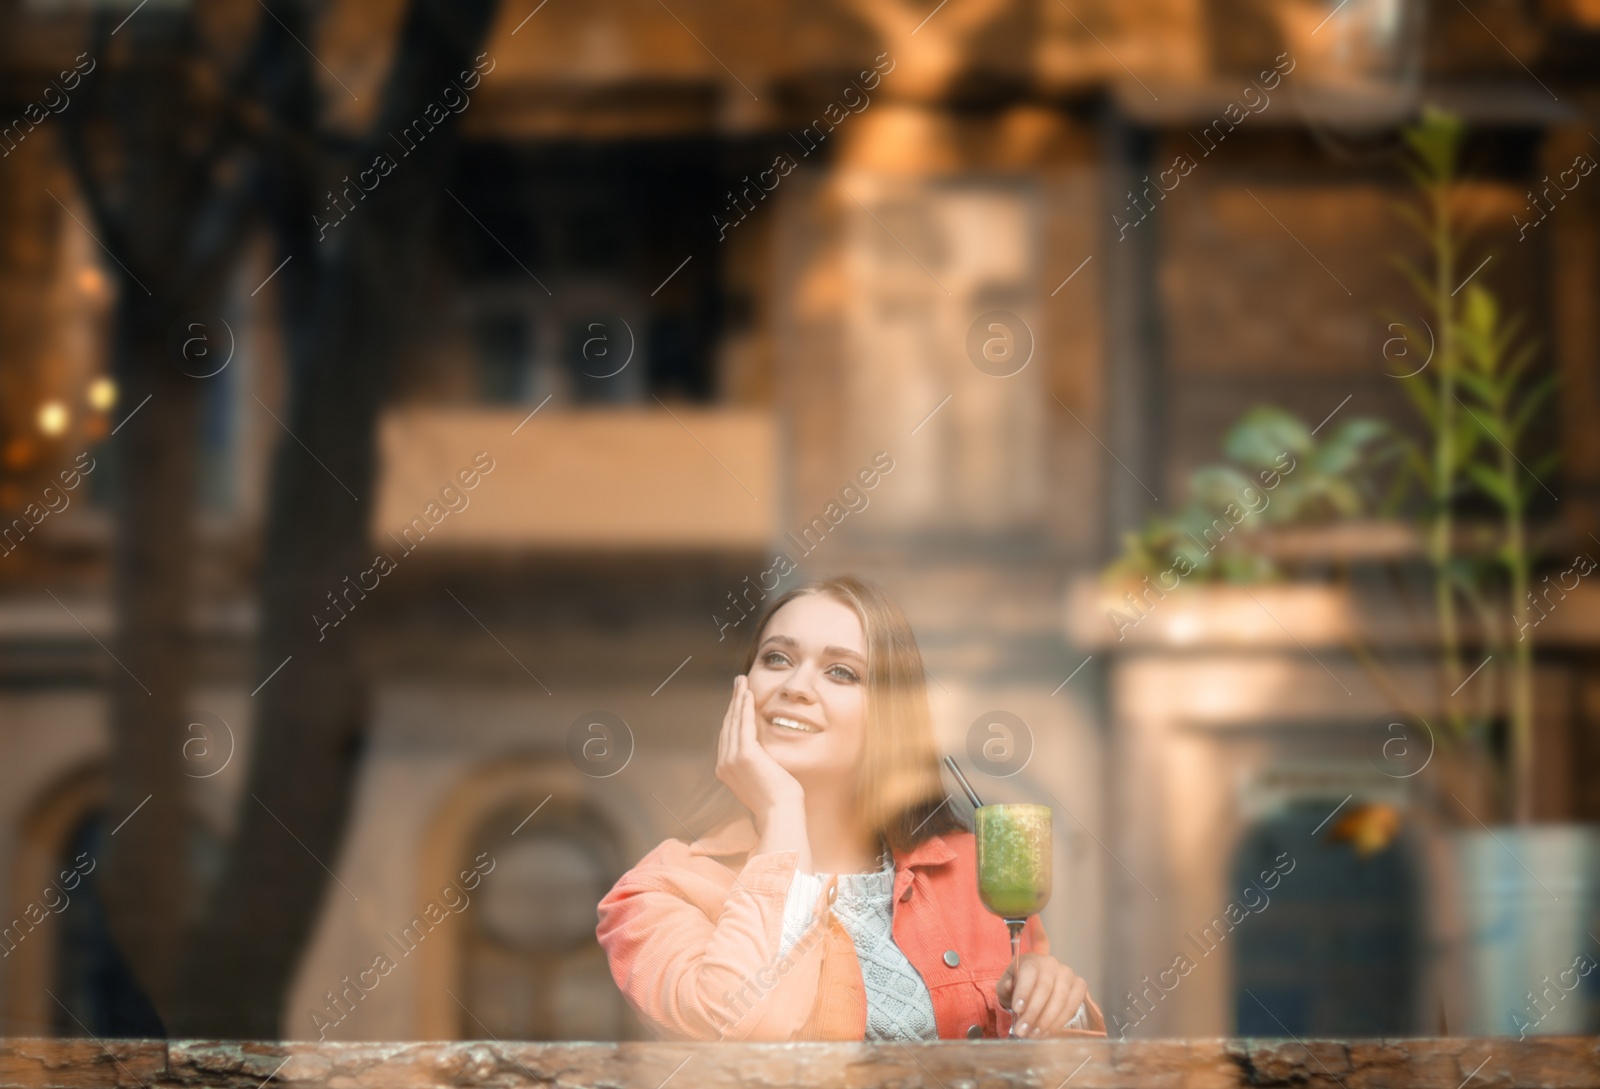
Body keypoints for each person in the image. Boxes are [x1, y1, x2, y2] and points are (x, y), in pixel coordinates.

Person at [596, 575, 1106, 1041]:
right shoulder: (657, 891)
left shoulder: (976, 874)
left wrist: (1060, 1004)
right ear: (744, 690)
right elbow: (746, 1029)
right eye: (776, 658)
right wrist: (780, 809)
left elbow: (1063, 1069)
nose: (795, 687)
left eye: (841, 672)